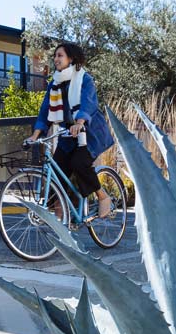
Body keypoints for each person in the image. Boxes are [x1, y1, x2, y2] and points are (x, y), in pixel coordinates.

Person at [25, 42, 115, 218]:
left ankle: (103, 197)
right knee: (57, 171)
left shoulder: (84, 79)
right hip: (68, 134)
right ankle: (61, 221)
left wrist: (79, 122)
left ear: (70, 58)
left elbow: (89, 103)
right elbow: (45, 111)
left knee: (79, 163)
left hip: (90, 132)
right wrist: (35, 135)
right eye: (55, 56)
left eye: (60, 55)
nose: (56, 59)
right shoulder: (54, 84)